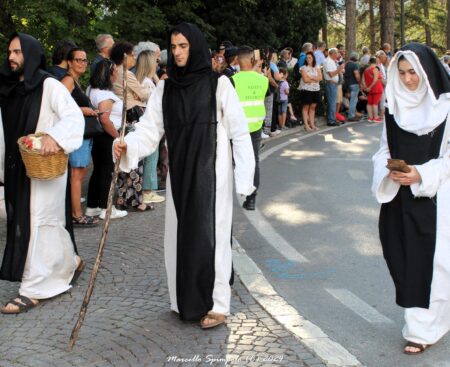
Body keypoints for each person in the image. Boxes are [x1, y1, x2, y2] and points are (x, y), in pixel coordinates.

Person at [114, 22, 255, 328]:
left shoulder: (218, 85)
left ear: (196, 47)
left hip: (212, 172)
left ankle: (217, 303)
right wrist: (126, 146)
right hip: (179, 174)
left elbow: (240, 133)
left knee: (213, 235)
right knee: (180, 235)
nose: (176, 52)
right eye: (173, 46)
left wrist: (244, 179)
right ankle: (184, 300)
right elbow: (149, 132)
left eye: (183, 46)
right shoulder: (166, 89)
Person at [372, 43, 450, 355]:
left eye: (413, 73)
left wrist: (421, 175)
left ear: (428, 73)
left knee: (434, 263)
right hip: (400, 198)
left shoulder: (446, 107)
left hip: (439, 197)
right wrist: (389, 170)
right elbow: (383, 150)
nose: (407, 80)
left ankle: (422, 330)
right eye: (401, 73)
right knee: (406, 259)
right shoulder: (394, 108)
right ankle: (429, 321)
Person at [0, 33, 85, 314]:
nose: (11, 57)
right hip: (19, 167)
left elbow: (72, 117)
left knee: (39, 220)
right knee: (30, 219)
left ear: (31, 54)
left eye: (17, 52)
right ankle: (69, 261)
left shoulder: (50, 86)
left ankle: (34, 287)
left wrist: (54, 138)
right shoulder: (10, 89)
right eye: (9, 52)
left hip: (46, 166)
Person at [61, 47, 100, 227]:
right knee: (76, 174)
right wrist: (82, 110)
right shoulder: (68, 80)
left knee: (80, 173)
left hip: (83, 134)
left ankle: (75, 212)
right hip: (77, 134)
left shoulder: (76, 82)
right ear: (69, 62)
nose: (83, 63)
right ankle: (76, 214)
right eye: (79, 60)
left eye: (85, 60)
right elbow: (58, 104)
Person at [111, 41, 152, 212]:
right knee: (136, 158)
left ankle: (122, 198)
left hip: (123, 117)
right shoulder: (126, 73)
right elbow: (144, 94)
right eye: (132, 54)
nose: (134, 58)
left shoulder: (114, 72)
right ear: (124, 56)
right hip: (133, 116)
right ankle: (136, 200)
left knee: (123, 160)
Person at [85, 59, 128, 220]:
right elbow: (105, 119)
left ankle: (93, 205)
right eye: (115, 71)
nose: (117, 74)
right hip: (108, 135)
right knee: (107, 172)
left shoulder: (91, 90)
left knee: (98, 170)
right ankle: (106, 207)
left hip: (99, 136)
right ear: (109, 74)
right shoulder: (106, 95)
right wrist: (117, 137)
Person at [231, 46, 268, 211]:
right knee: (254, 161)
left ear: (237, 61)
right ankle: (251, 198)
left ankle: (231, 195)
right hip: (256, 125)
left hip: (237, 127)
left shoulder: (233, 80)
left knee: (232, 161)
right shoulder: (263, 79)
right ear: (253, 60)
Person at [134, 50, 165, 204]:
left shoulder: (139, 80)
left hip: (145, 122)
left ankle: (146, 189)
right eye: (156, 62)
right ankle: (147, 190)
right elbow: (161, 96)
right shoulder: (147, 83)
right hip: (151, 123)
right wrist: (156, 78)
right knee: (152, 157)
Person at [299, 51, 322, 130]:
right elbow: (305, 80)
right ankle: (306, 125)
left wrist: (311, 77)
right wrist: (315, 79)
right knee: (306, 107)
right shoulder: (303, 68)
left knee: (313, 107)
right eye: (307, 58)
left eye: (310, 58)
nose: (308, 59)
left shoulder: (317, 67)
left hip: (316, 90)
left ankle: (312, 125)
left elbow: (320, 78)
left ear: (313, 58)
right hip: (306, 90)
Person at [323, 48, 344, 126]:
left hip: (333, 84)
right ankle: (331, 120)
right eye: (336, 54)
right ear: (332, 54)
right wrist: (339, 69)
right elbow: (331, 74)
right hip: (330, 83)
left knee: (333, 102)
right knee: (332, 103)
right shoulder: (328, 61)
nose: (337, 55)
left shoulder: (332, 61)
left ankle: (332, 119)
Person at [362, 56, 384, 122]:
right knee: (375, 103)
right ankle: (376, 117)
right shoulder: (375, 69)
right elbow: (375, 80)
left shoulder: (366, 70)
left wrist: (366, 88)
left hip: (369, 89)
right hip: (377, 88)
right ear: (376, 62)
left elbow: (363, 80)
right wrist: (370, 87)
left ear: (369, 62)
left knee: (369, 103)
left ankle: (370, 117)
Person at [344, 52, 361, 121]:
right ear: (356, 58)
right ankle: (351, 115)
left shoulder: (346, 64)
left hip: (347, 84)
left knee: (352, 100)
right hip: (354, 84)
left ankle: (352, 114)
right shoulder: (355, 65)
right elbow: (356, 75)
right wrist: (359, 82)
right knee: (353, 100)